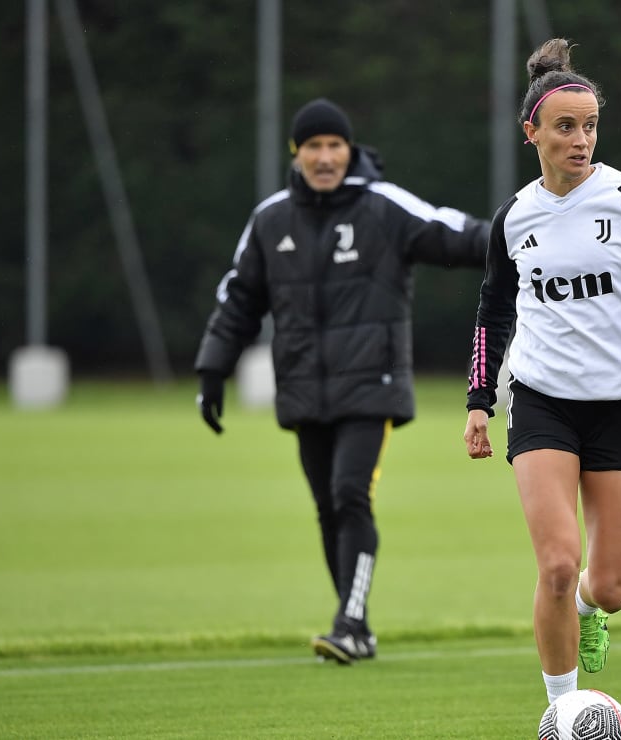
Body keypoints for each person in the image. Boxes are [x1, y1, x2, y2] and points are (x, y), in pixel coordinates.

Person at [194, 98, 489, 665]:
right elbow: (239, 300)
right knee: (328, 509)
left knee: (351, 496)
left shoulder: (383, 206)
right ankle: (358, 628)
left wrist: (525, 235)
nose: (325, 157)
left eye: (334, 146)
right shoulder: (271, 219)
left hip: (371, 386)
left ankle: (350, 621)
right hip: (305, 390)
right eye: (313, 147)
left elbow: (457, 233)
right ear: (296, 154)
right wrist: (213, 370)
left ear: (349, 150)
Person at [461, 38, 621, 704]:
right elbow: (493, 311)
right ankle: (563, 711)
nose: (581, 140)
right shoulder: (514, 218)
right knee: (555, 563)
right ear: (531, 132)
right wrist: (480, 400)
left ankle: (589, 608)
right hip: (542, 400)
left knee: (608, 587)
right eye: (566, 127)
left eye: (590, 126)